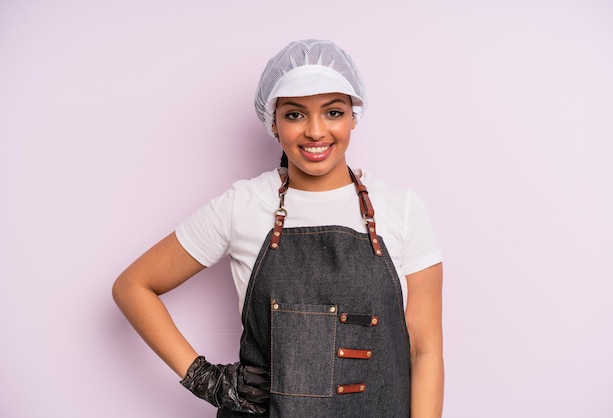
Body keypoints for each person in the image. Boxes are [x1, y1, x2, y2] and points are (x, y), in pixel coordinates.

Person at [113, 39, 444, 417]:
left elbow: (425, 351)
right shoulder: (243, 205)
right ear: (273, 122)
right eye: (295, 114)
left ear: (354, 116)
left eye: (333, 112)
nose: (316, 132)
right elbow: (132, 286)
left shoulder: (401, 209)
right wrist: (205, 379)